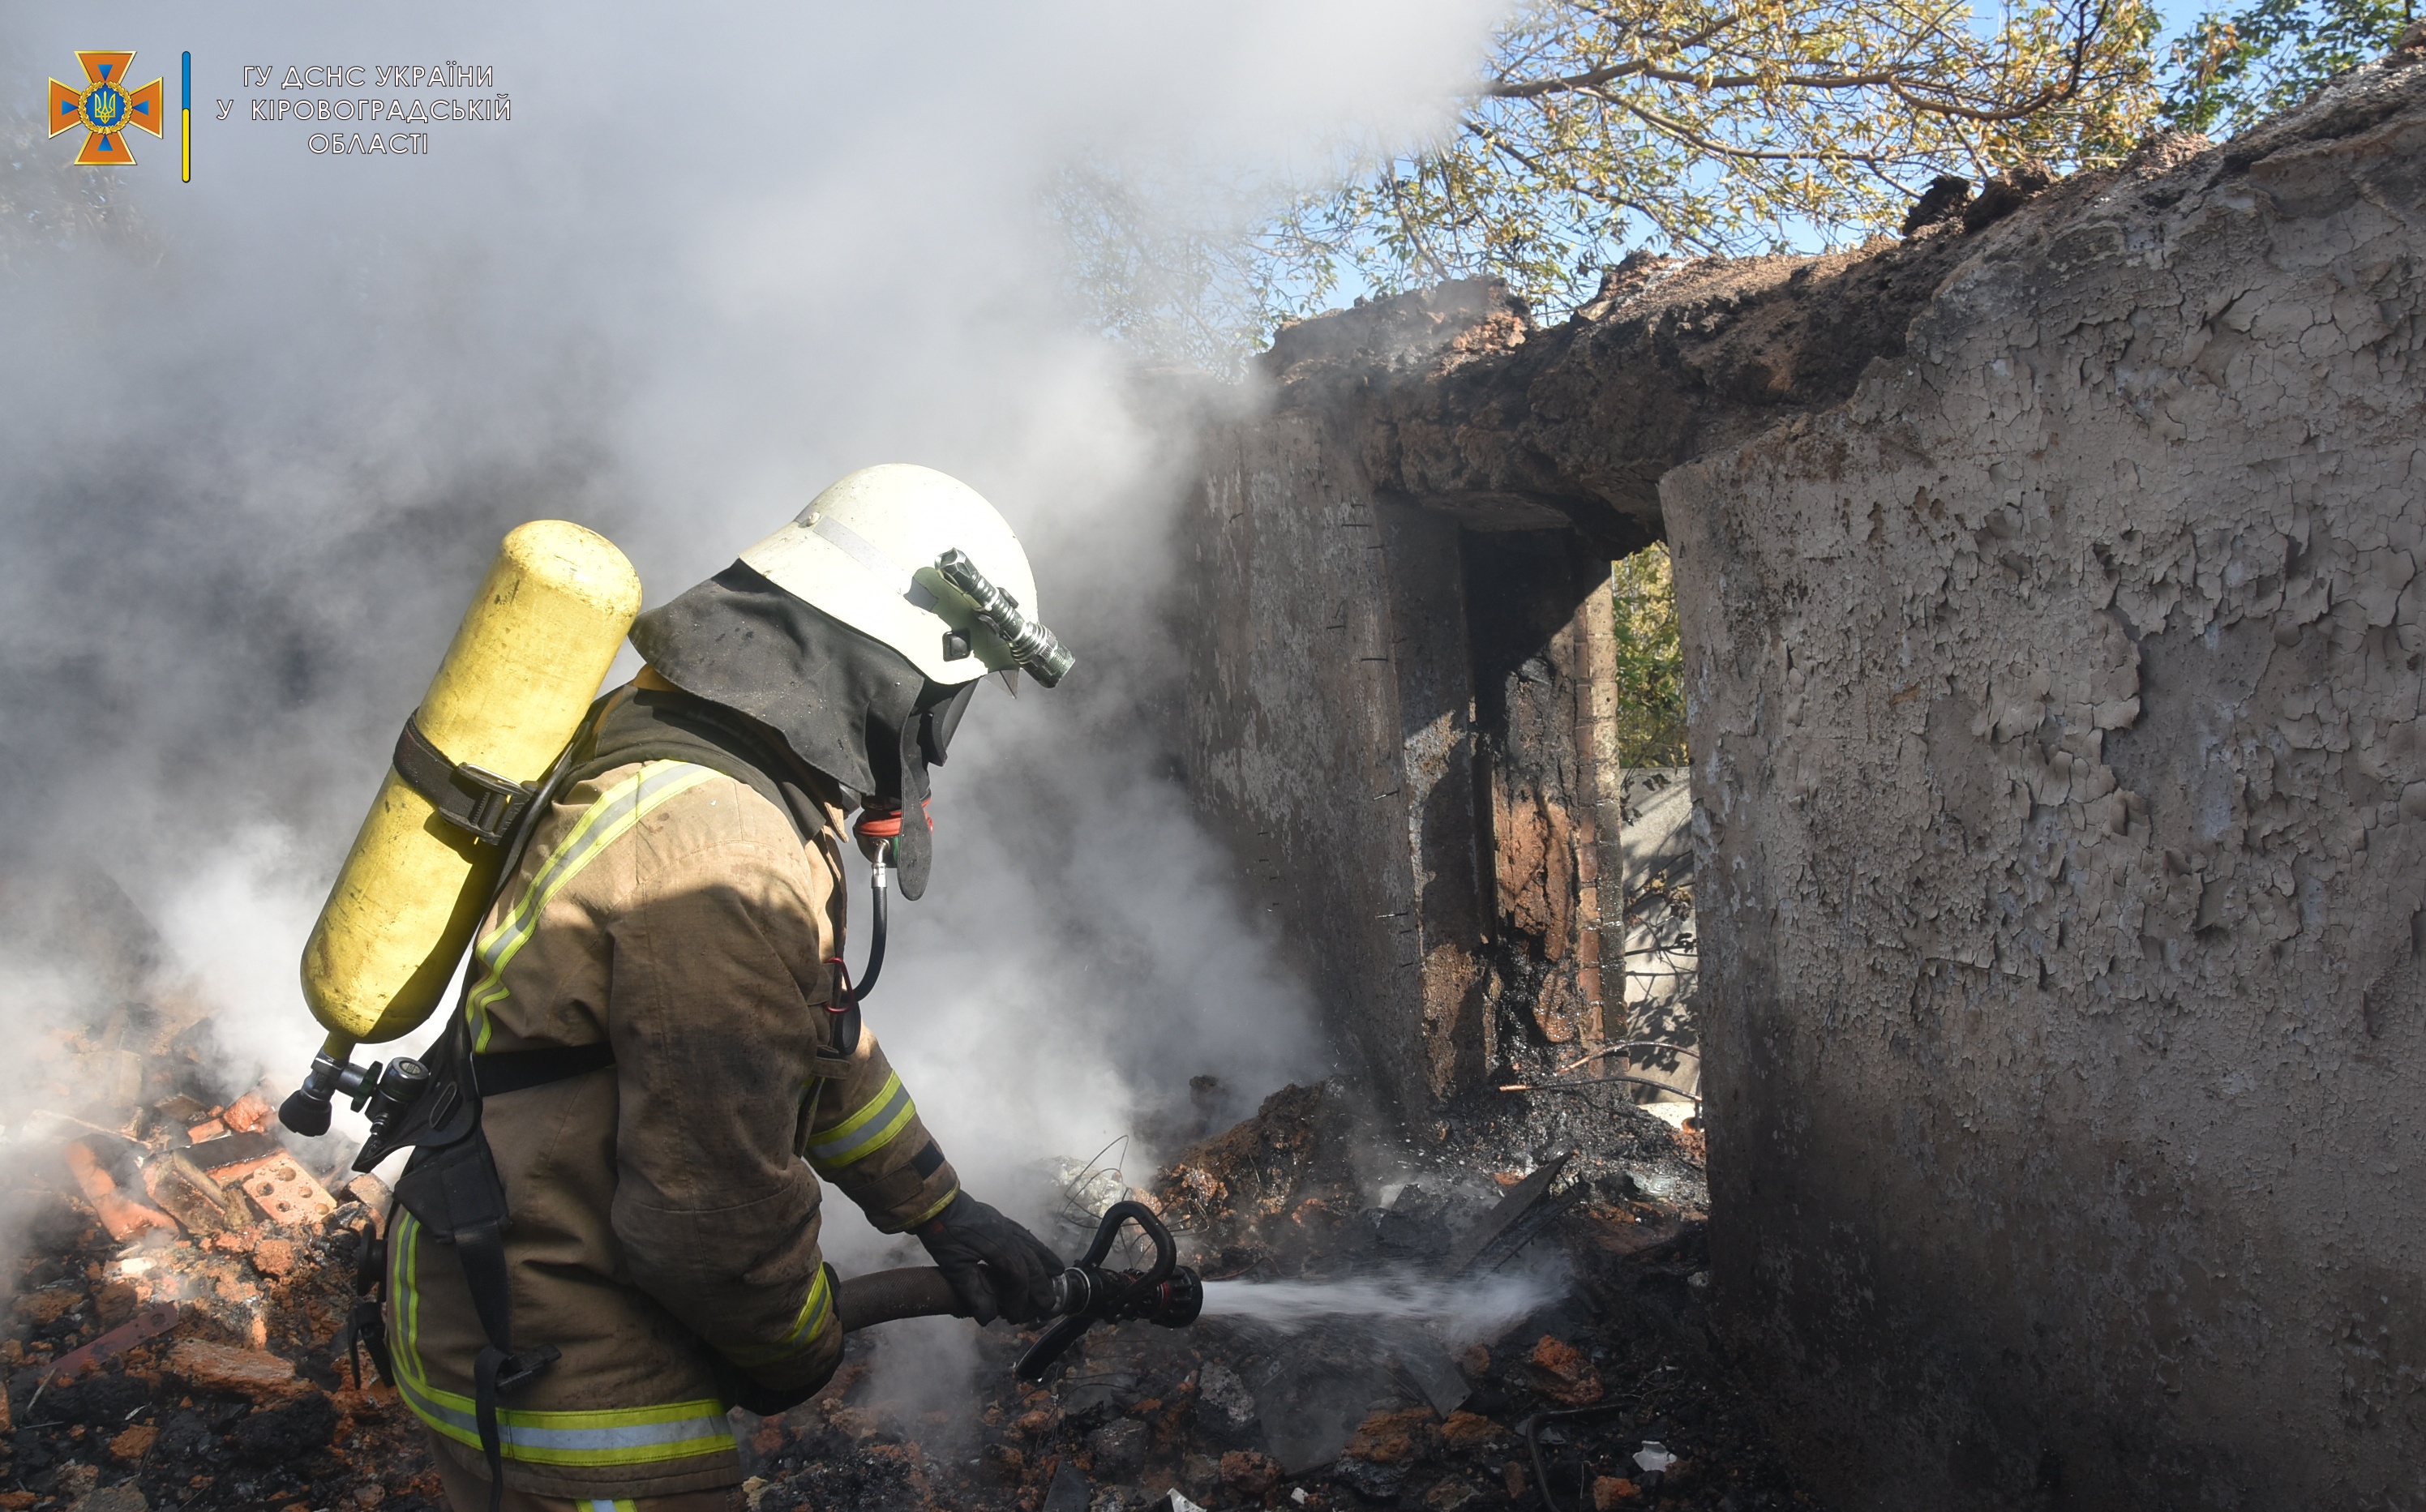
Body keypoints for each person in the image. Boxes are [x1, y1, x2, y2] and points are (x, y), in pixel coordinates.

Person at [381, 465, 1069, 1511]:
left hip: (502, 1290)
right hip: (567, 1372)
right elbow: (708, 1211)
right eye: (943, 701)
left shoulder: (687, 742)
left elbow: (810, 1045)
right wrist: (796, 1345)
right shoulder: (723, 856)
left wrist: (943, 1209)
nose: (934, 740)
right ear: (892, 672)